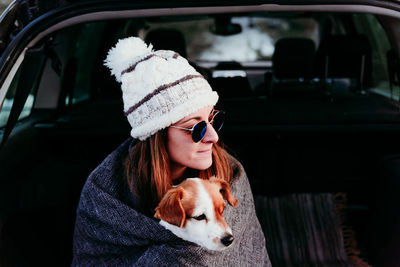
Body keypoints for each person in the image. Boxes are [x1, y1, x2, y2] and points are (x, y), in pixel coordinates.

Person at [72, 37, 270, 266]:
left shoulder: (230, 173)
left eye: (213, 119)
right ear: (157, 134)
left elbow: (245, 256)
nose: (213, 137)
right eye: (196, 127)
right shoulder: (104, 192)